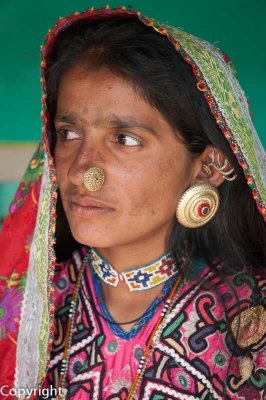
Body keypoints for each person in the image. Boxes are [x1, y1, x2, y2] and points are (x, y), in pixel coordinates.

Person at [0, 5, 265, 400]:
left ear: (208, 165)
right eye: (69, 133)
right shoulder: (22, 307)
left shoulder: (251, 316)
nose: (81, 173)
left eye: (125, 139)